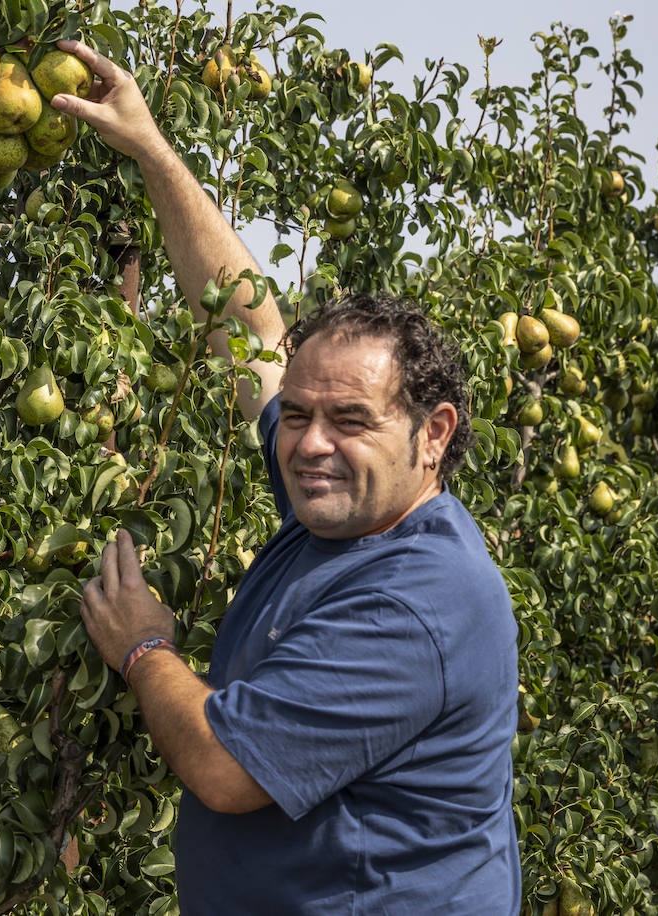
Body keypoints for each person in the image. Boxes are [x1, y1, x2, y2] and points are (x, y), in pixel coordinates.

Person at [53, 39, 520, 914]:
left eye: (349, 421)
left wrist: (144, 646)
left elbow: (228, 771)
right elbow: (249, 332)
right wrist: (152, 148)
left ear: (435, 434)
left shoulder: (420, 600)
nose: (307, 443)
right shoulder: (345, 509)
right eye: (300, 413)